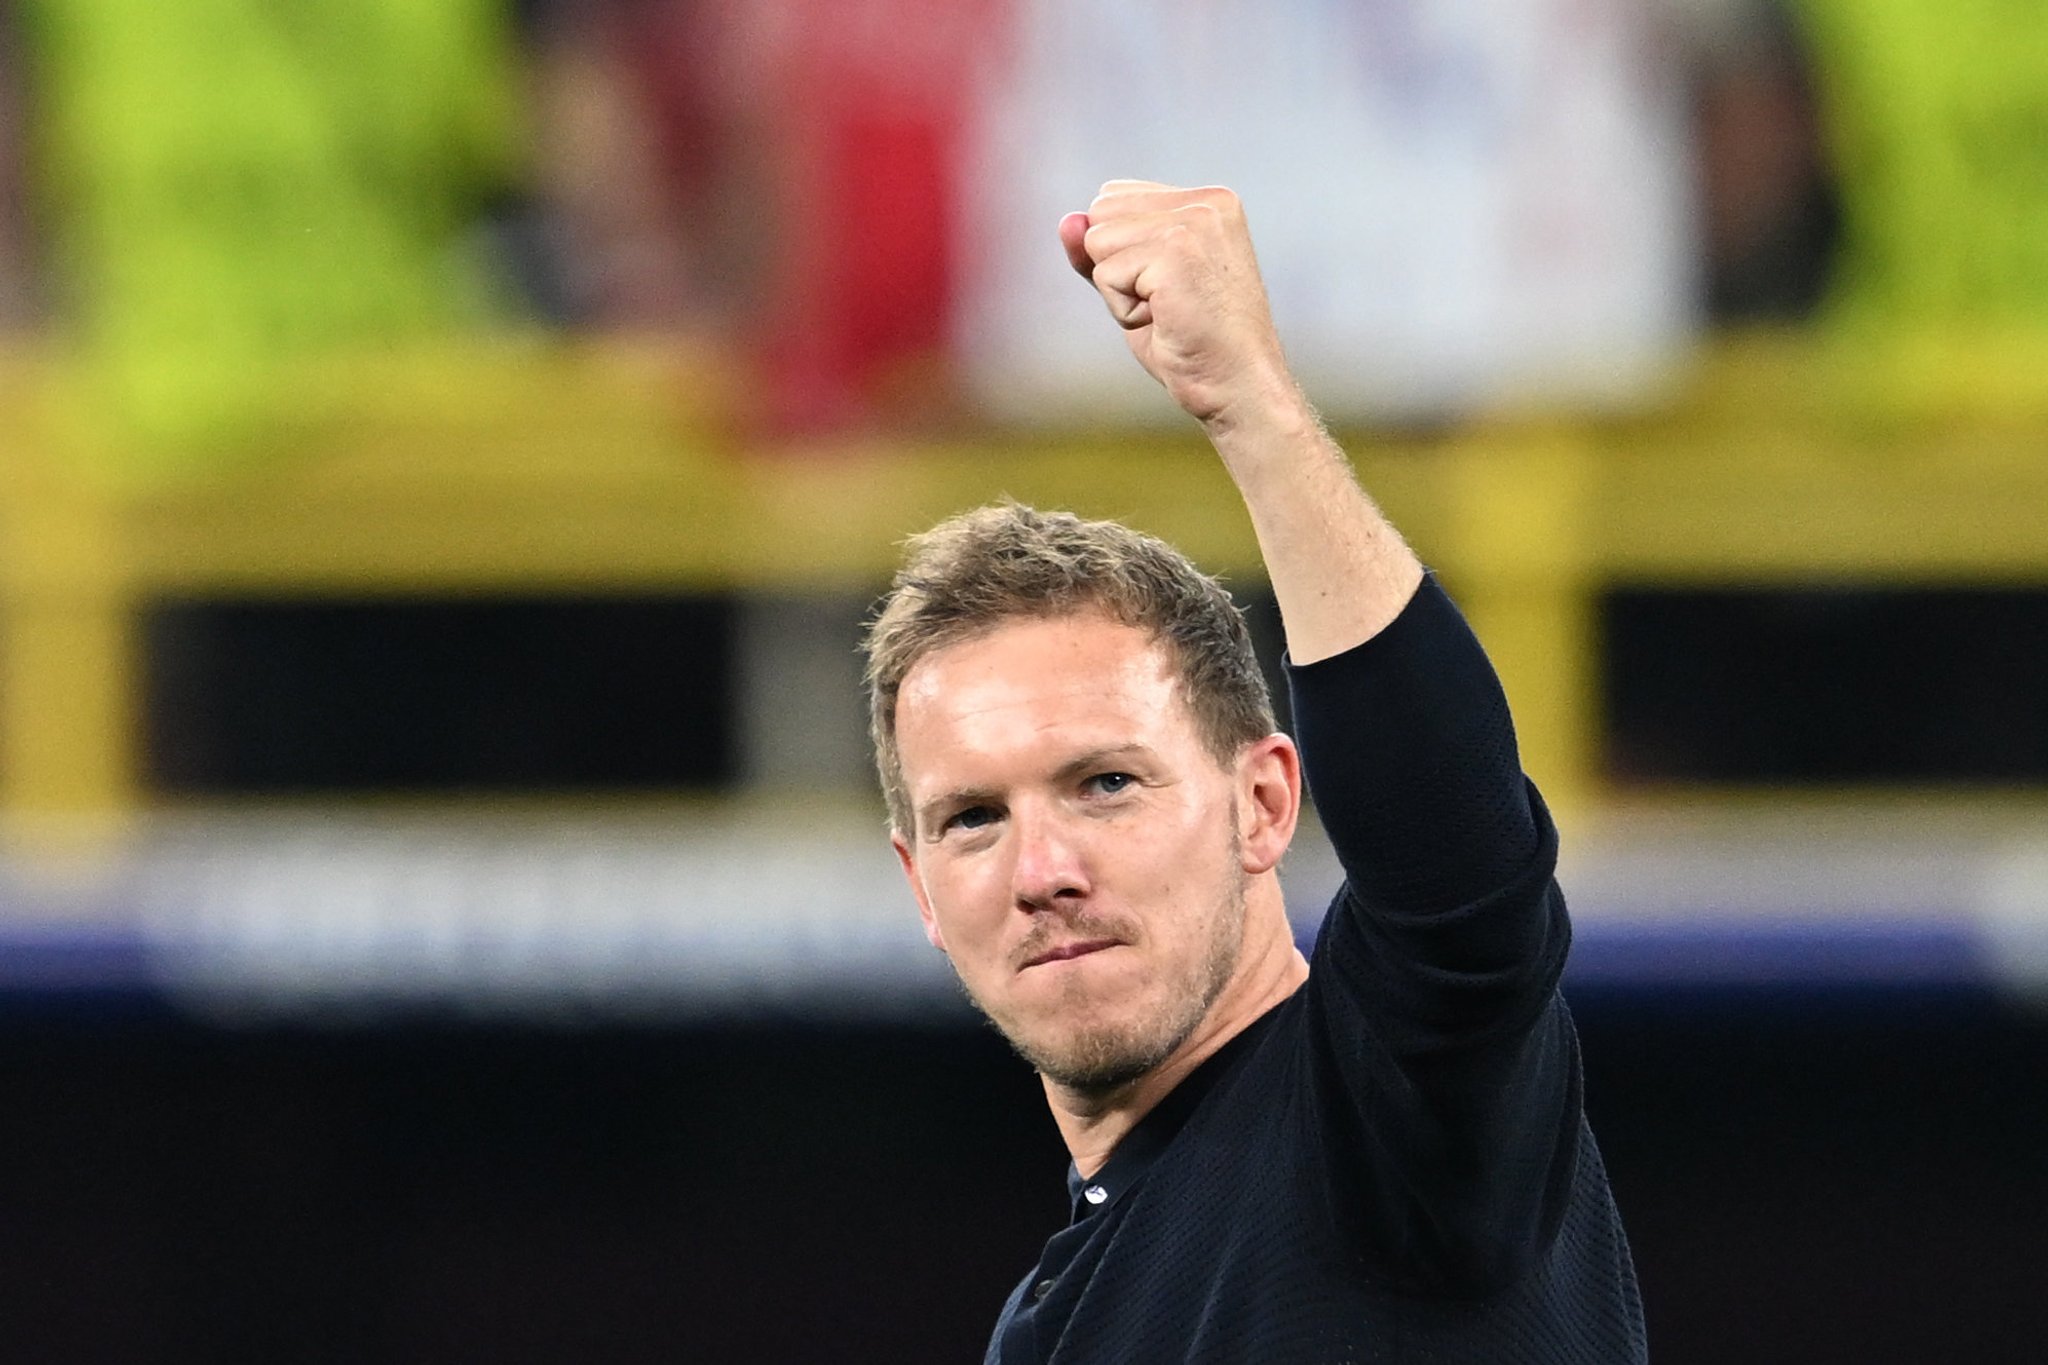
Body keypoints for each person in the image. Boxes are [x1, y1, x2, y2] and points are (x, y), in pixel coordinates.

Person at [862, 182, 1645, 1363]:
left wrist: (1250, 407)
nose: (1042, 870)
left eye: (1104, 784)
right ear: (920, 888)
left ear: (1264, 802)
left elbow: (1458, 871)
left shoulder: (1385, 1117)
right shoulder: (1037, 1333)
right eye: (973, 818)